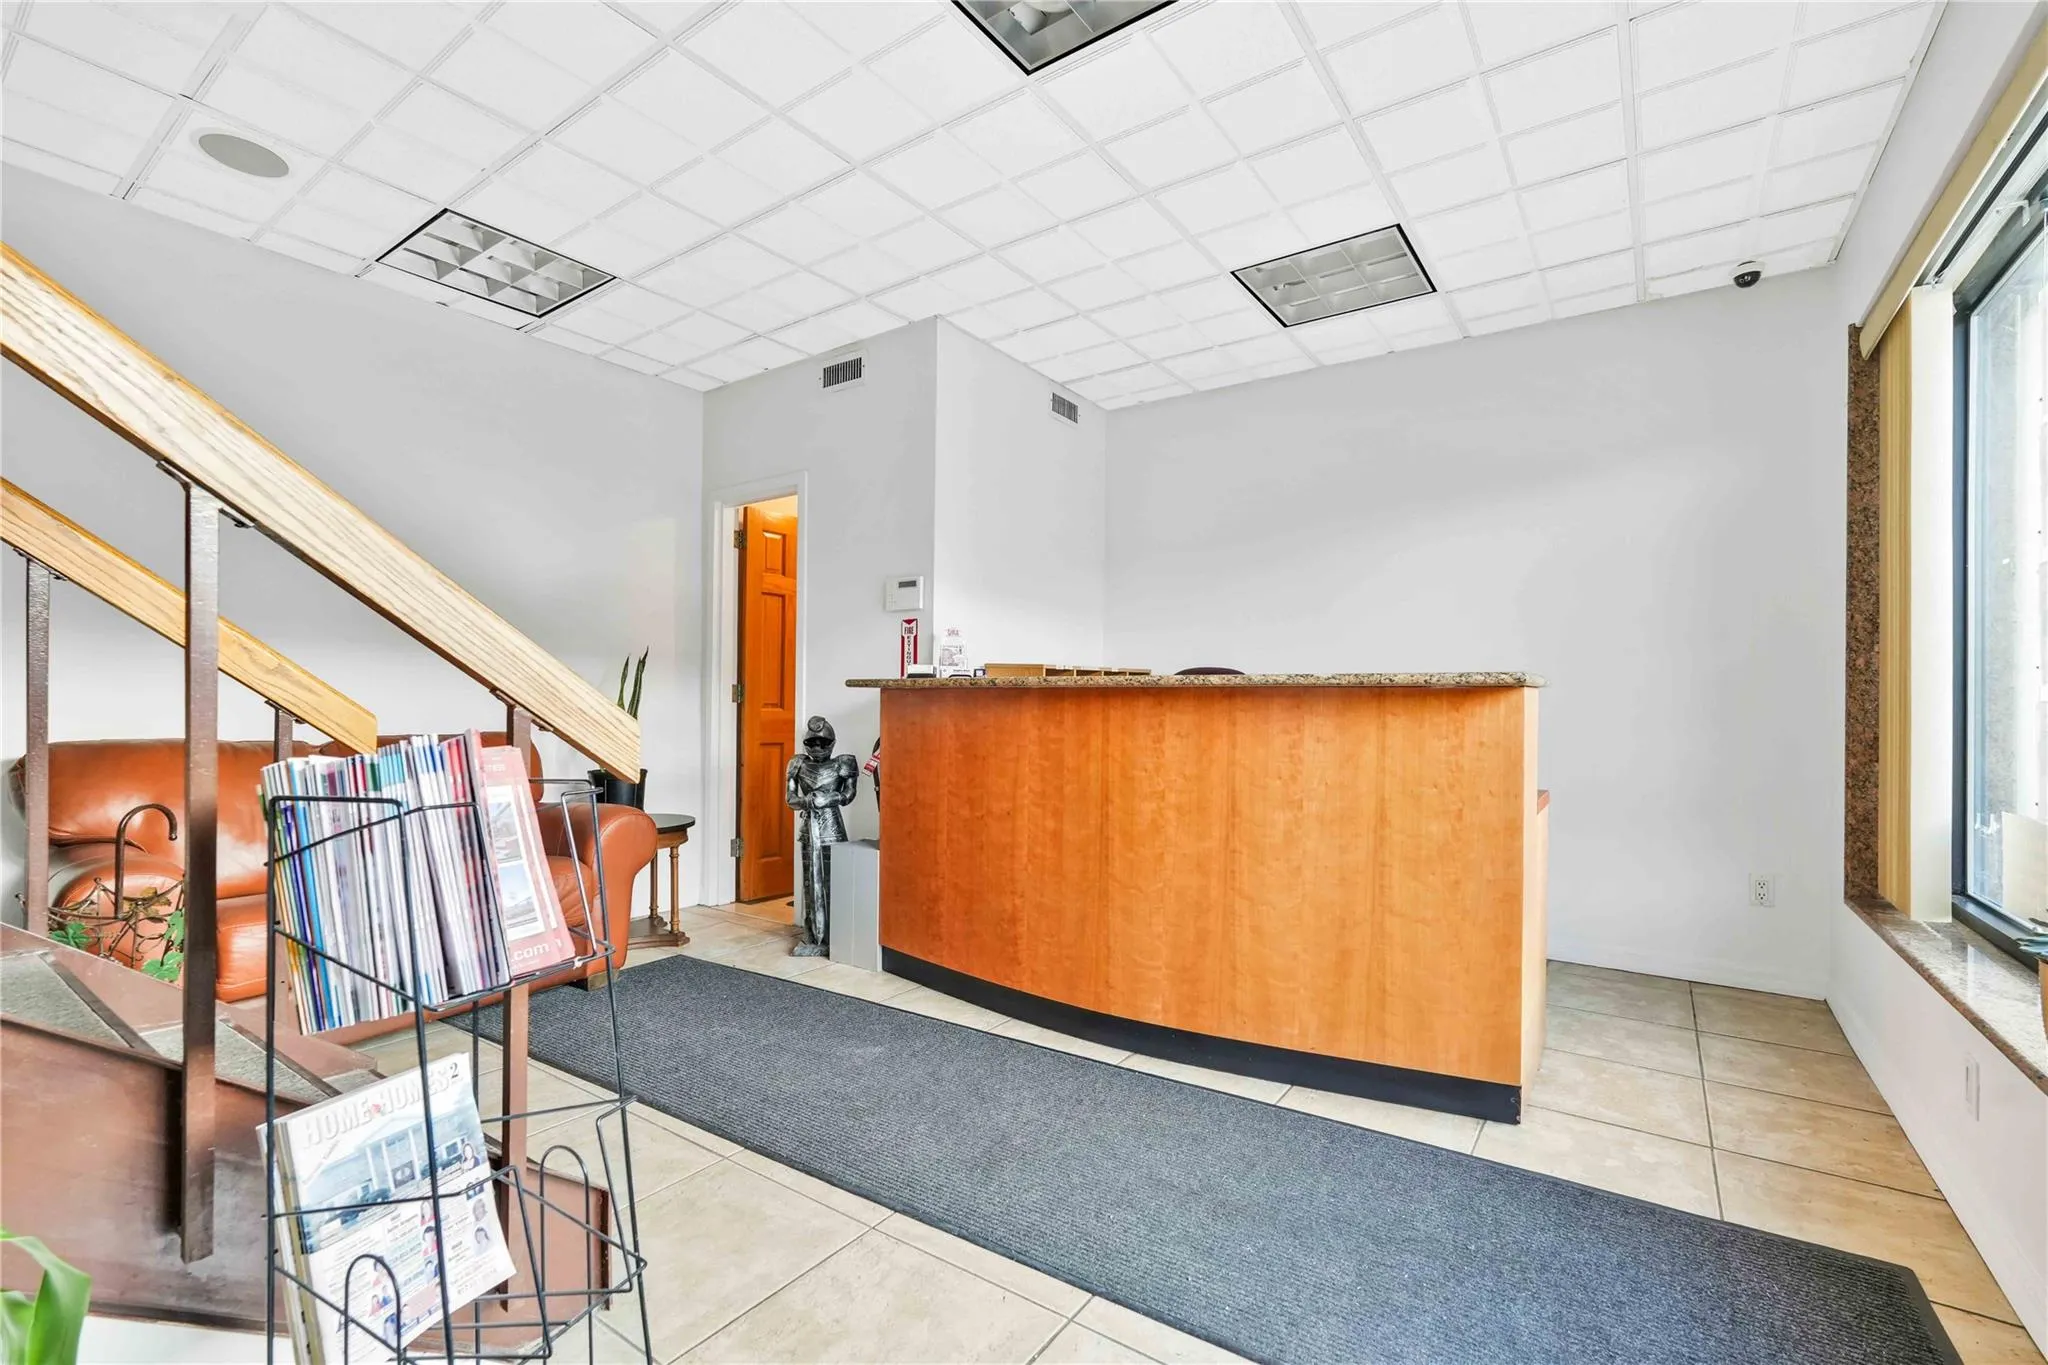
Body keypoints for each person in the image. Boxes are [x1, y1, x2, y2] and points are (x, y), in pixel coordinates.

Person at [784, 716, 859, 956]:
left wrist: (828, 798)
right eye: (812, 742)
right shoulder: (798, 763)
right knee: (810, 882)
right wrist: (806, 801)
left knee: (833, 881)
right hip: (809, 827)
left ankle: (834, 934)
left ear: (831, 743)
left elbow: (848, 794)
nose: (817, 747)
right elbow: (790, 799)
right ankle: (813, 935)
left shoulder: (843, 763)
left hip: (832, 827)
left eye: (822, 742)